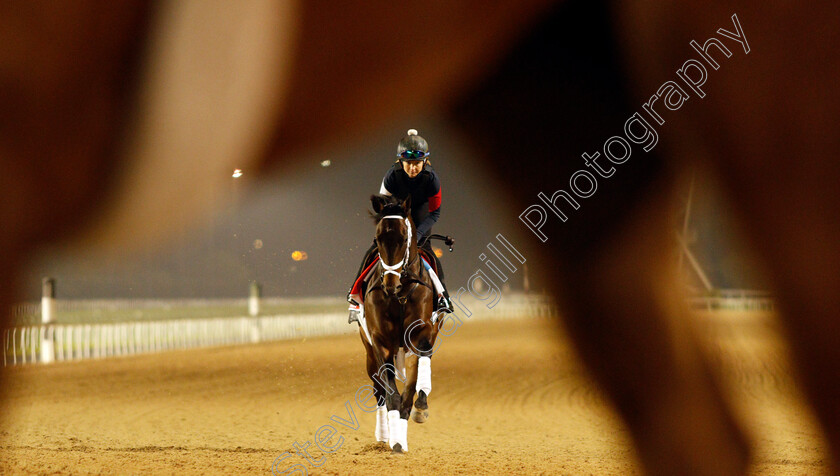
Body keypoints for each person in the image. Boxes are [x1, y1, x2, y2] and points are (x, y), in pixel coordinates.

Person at [347, 129, 453, 324]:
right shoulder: (391, 175)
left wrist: (418, 234)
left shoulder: (432, 179)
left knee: (429, 254)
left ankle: (442, 297)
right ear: (400, 162)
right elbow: (382, 209)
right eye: (408, 163)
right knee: (374, 250)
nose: (413, 168)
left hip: (421, 214)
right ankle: (354, 298)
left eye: (417, 164)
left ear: (425, 162)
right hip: (394, 211)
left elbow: (434, 213)